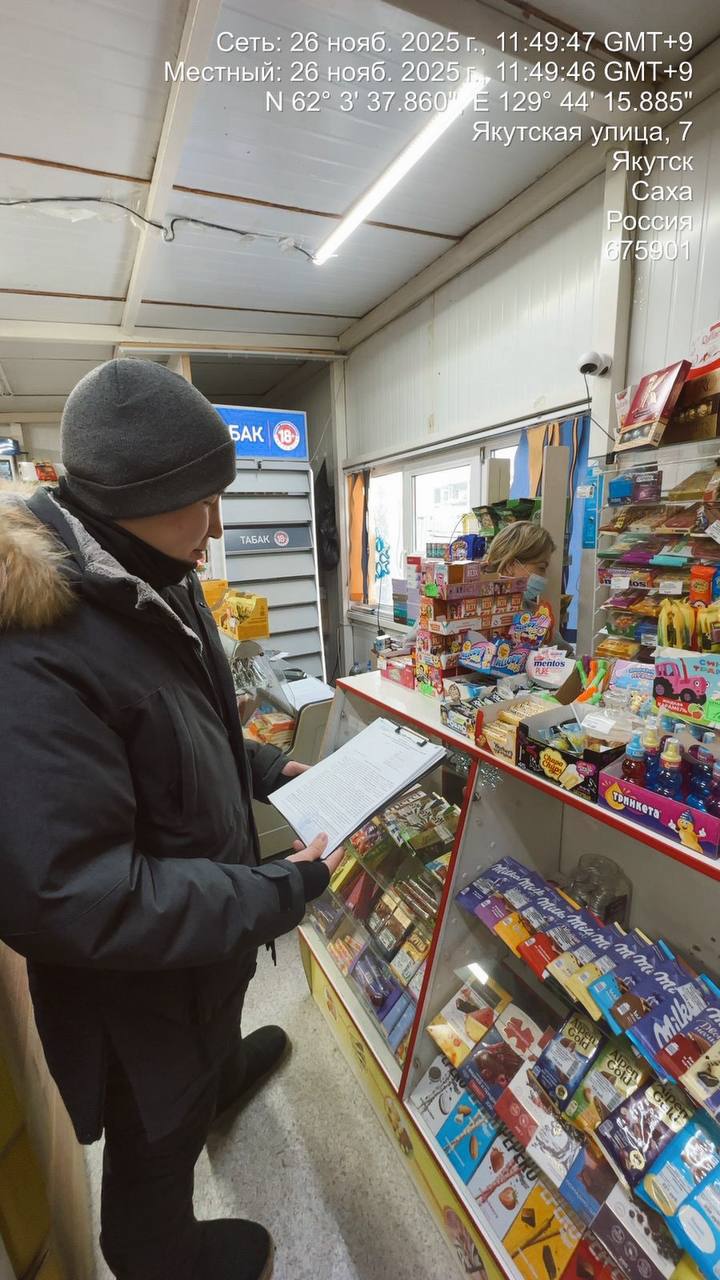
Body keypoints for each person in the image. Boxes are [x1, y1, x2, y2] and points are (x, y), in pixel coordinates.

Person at [0, 359, 343, 1280]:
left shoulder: (150, 570)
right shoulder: (32, 647)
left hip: (200, 951)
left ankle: (218, 1078)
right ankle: (161, 1253)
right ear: (132, 501)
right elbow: (73, 896)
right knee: (156, 1133)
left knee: (205, 1042)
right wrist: (275, 893)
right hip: (136, 991)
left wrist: (264, 766)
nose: (216, 527)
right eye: (200, 503)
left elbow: (181, 723)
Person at [484, 520, 572, 650]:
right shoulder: (478, 614)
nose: (544, 577)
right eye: (541, 568)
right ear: (510, 566)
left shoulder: (533, 612)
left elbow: (565, 652)